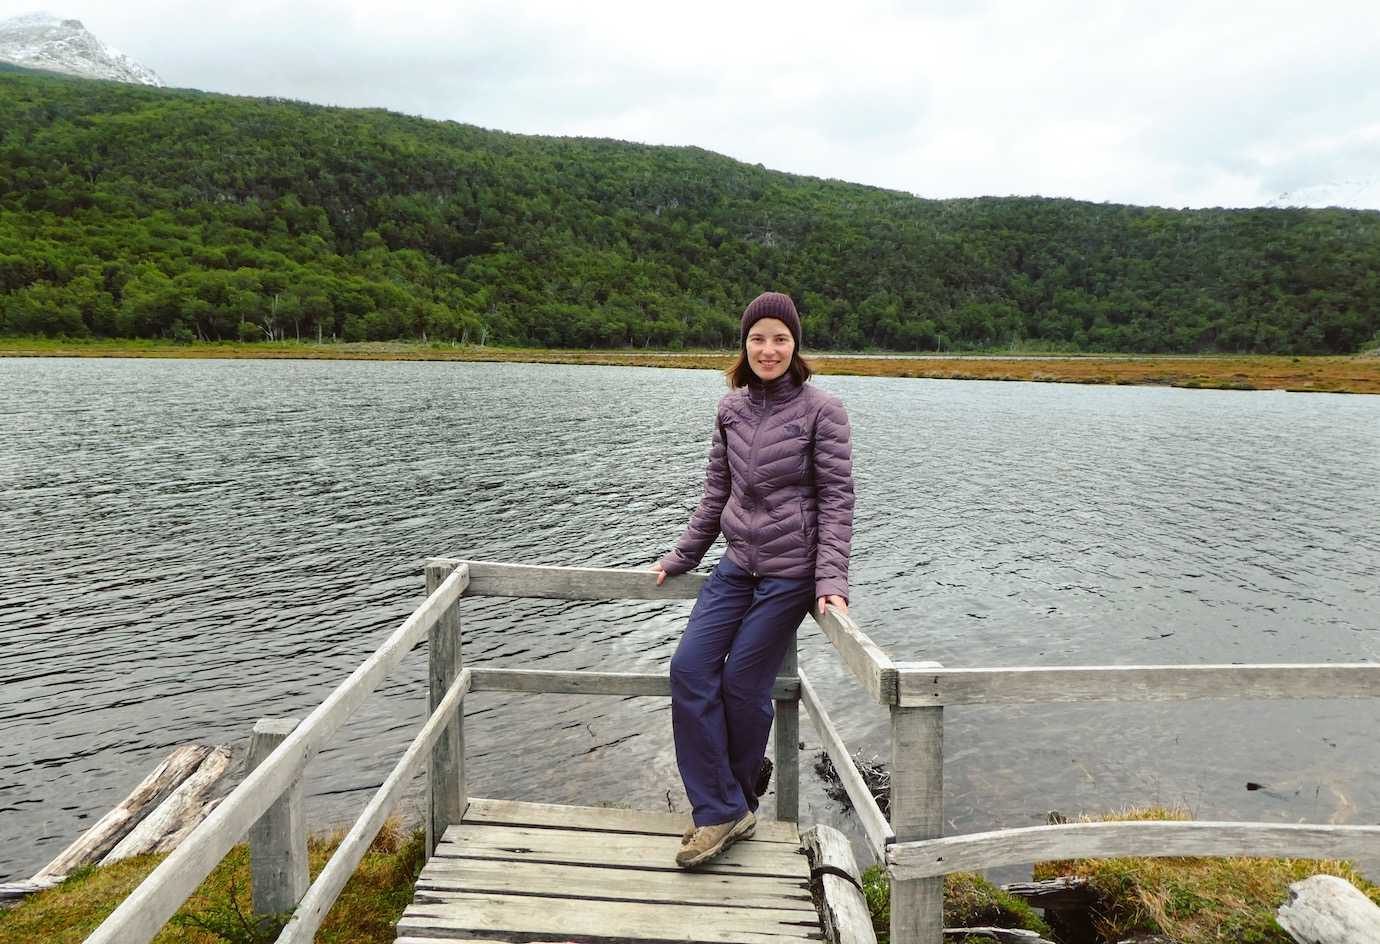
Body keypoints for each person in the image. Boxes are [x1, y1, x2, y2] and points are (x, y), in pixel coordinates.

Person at [652, 290, 855, 869]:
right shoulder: (730, 409)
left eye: (780, 339)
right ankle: (732, 803)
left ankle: (722, 808)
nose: (769, 349)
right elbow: (718, 493)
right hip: (736, 564)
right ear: (745, 344)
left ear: (796, 345)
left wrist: (830, 579)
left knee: (743, 685)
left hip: (791, 573)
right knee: (689, 668)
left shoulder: (824, 410)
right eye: (758, 338)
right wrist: (682, 555)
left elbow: (838, 500)